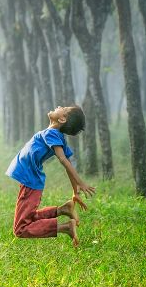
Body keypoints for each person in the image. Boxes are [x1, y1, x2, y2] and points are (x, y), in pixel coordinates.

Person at [6, 105, 95, 246]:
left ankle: (65, 227)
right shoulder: (55, 135)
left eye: (63, 108)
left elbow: (64, 160)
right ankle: (62, 210)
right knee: (29, 217)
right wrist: (75, 191)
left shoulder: (52, 134)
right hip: (30, 181)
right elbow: (67, 163)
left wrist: (80, 182)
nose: (59, 106)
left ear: (62, 119)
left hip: (30, 181)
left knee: (21, 229)